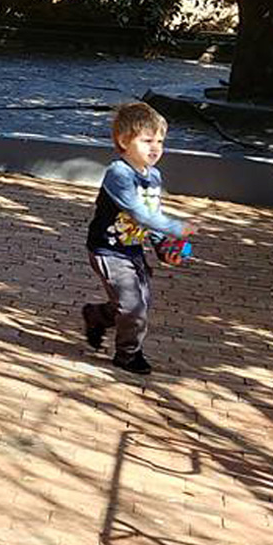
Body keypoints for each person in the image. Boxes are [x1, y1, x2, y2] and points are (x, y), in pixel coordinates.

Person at [81, 101, 195, 375]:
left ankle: (96, 316)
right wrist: (176, 228)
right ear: (123, 140)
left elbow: (152, 213)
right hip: (108, 250)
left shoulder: (153, 175)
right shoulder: (118, 174)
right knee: (133, 307)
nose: (155, 147)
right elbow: (139, 212)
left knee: (136, 304)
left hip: (133, 249)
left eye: (160, 141)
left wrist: (160, 244)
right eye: (147, 141)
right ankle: (128, 355)